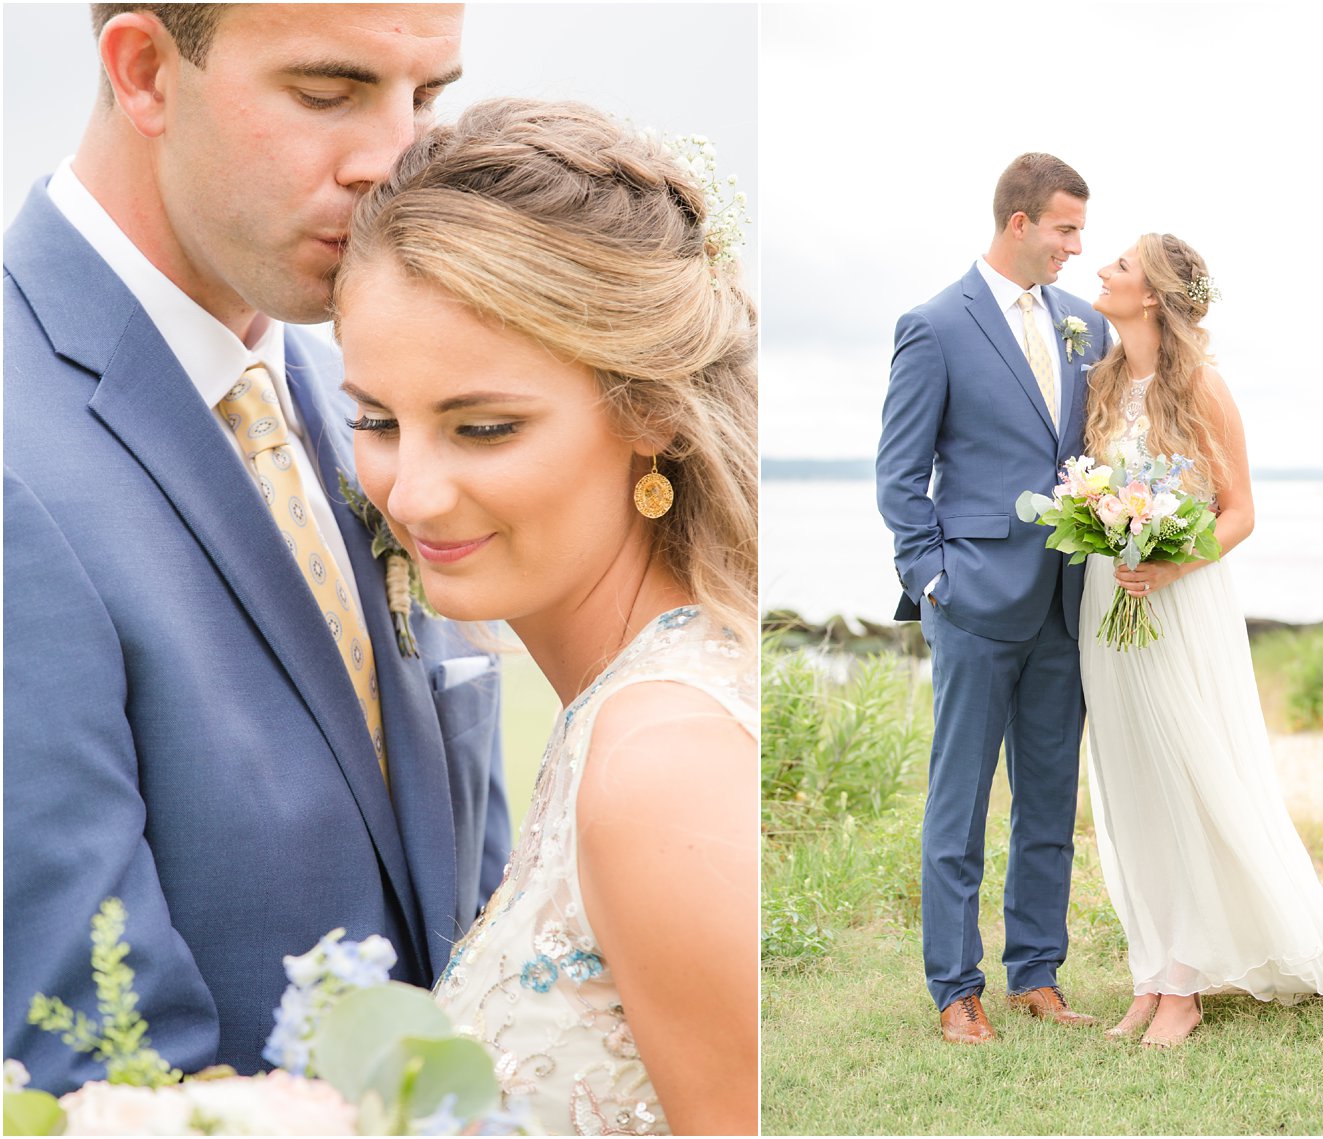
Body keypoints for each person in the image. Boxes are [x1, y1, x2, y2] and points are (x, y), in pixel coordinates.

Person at [3, 3, 511, 1092]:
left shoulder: (376, 406)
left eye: (427, 96)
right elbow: (87, 1050)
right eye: (328, 92)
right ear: (144, 71)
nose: (395, 162)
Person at [332, 98, 759, 1134]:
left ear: (649, 408)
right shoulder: (616, 715)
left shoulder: (659, 764)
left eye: (483, 427)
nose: (414, 492)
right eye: (376, 420)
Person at [1080, 232, 1323, 1047]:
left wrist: (1168, 565)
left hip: (1177, 601)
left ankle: (1186, 983)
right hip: (1105, 601)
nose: (1102, 270)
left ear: (1151, 294)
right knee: (1131, 787)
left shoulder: (1203, 387)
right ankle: (1149, 972)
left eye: (1118, 264)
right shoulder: (1103, 380)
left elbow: (1240, 511)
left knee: (1188, 777)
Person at [876, 154, 1112, 1043]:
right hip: (974, 603)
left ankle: (1037, 974)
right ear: (1020, 222)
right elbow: (900, 477)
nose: (1076, 247)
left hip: (1064, 599)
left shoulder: (1085, 324)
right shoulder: (935, 325)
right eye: (1065, 229)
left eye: (1080, 231)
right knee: (960, 802)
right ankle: (953, 986)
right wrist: (933, 581)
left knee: (1049, 797)